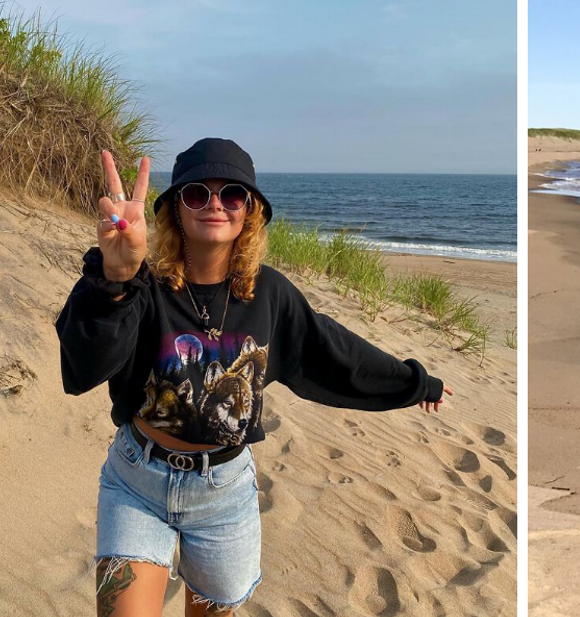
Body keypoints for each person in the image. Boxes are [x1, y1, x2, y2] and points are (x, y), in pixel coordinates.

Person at [55, 138, 452, 616]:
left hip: (223, 497)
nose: (216, 205)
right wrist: (114, 281)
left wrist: (414, 383)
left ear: (250, 211)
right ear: (175, 210)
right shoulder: (141, 283)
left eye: (233, 195)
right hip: (137, 481)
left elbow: (335, 353)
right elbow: (85, 364)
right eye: (197, 193)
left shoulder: (269, 295)